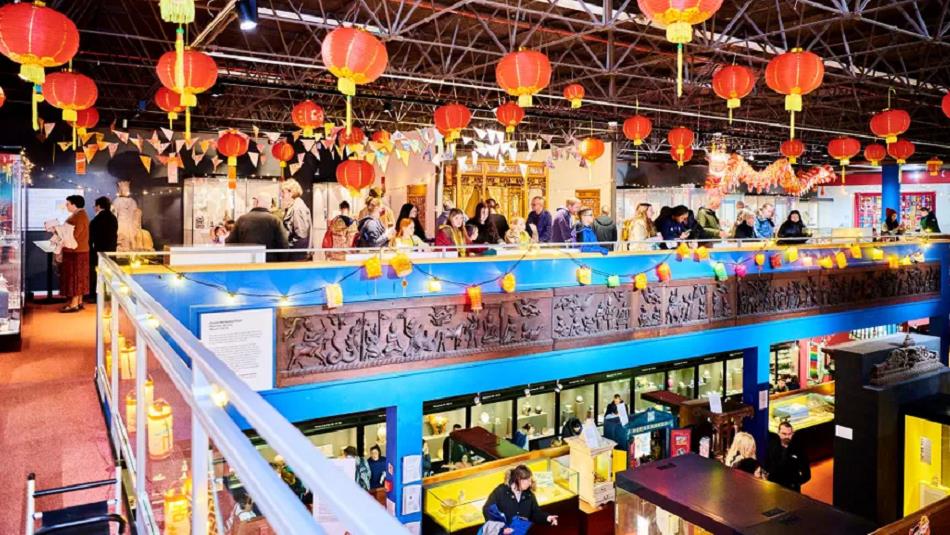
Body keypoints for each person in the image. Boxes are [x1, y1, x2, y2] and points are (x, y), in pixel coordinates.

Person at [482, 465, 558, 534]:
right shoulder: (501, 492)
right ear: (518, 480)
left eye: (530, 480)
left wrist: (547, 518)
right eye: (527, 480)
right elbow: (487, 510)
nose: (530, 483)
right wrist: (501, 529)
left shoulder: (529, 495)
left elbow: (535, 513)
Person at [227, 194, 289, 261]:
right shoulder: (275, 220)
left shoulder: (241, 219)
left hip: (246, 262)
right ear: (269, 205)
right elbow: (283, 244)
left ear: (256, 203)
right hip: (269, 263)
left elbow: (230, 242)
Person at [58, 195, 90, 312]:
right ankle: (78, 301)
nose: (66, 206)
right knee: (79, 277)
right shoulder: (80, 215)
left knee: (74, 277)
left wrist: (59, 235)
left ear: (74, 204)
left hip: (75, 252)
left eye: (68, 204)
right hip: (79, 251)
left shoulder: (79, 216)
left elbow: (73, 235)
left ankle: (73, 304)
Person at [765, 421, 811, 492]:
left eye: (789, 434)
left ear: (793, 434)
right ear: (778, 433)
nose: (787, 437)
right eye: (784, 434)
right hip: (774, 488)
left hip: (791, 490)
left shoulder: (799, 450)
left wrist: (795, 484)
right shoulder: (772, 445)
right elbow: (767, 464)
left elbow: (807, 475)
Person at [88, 196, 118, 297]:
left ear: (99, 206)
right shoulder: (113, 218)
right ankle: (109, 294)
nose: (94, 208)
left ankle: (96, 295)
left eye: (95, 206)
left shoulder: (96, 220)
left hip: (99, 251)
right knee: (109, 274)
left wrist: (91, 249)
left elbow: (90, 238)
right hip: (112, 251)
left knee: (97, 274)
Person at [279, 179, 312, 260]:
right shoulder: (295, 206)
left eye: (284, 192)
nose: (282, 195)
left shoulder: (297, 208)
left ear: (291, 192)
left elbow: (301, 234)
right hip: (296, 252)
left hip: (297, 253)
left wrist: (289, 246)